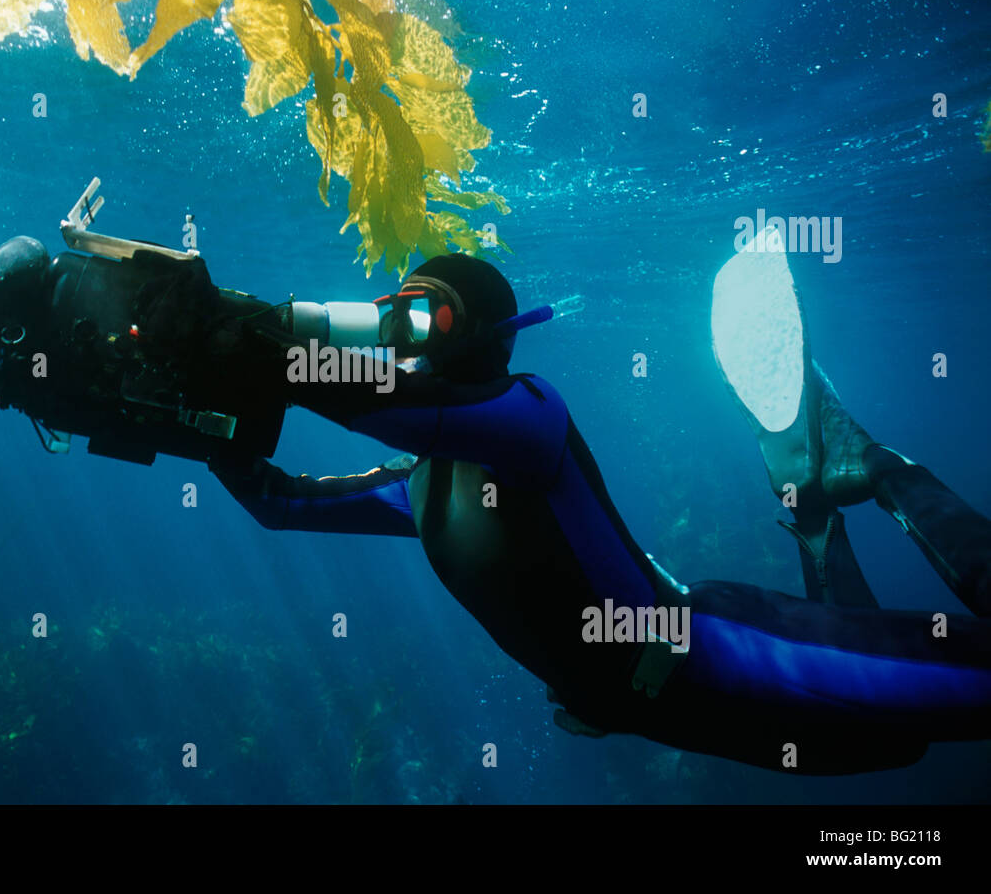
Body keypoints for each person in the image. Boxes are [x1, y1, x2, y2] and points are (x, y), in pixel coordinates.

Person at [209, 246, 991, 775]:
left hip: (730, 655)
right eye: (396, 318)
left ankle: (883, 471)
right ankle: (819, 515)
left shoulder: (532, 415)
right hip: (667, 711)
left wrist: (254, 344)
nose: (405, 335)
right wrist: (192, 417)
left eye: (429, 315)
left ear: (485, 331)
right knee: (900, 745)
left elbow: (387, 404)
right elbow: (280, 502)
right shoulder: (420, 485)